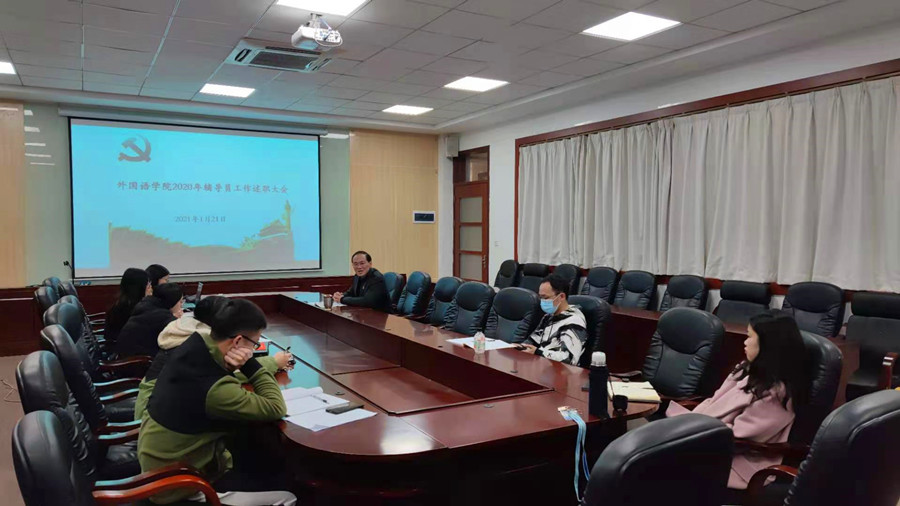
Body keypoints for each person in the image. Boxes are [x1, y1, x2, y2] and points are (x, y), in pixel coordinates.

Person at [138, 298, 296, 506]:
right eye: (254, 344)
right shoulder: (215, 389)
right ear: (237, 342)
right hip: (180, 488)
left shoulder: (194, 345)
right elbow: (276, 407)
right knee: (289, 493)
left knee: (257, 451)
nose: (253, 349)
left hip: (163, 465)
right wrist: (250, 364)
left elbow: (217, 378)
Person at [666, 311, 810, 491]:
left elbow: (741, 437)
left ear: (767, 345)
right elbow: (714, 402)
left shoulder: (777, 392)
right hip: (709, 439)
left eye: (750, 337)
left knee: (658, 467)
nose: (745, 342)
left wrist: (695, 429)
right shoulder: (746, 370)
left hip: (737, 459)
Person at [133, 296, 293, 422]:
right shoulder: (214, 384)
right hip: (163, 442)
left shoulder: (193, 340)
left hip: (154, 426)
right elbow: (276, 407)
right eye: (254, 344)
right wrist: (257, 363)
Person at [519, 274, 588, 366]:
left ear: (561, 296)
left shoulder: (574, 321)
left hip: (562, 371)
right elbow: (533, 340)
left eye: (545, 298)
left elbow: (569, 359)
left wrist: (537, 352)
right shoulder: (549, 316)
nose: (542, 301)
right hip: (542, 365)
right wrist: (520, 347)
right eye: (540, 297)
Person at [116, 283, 184, 359]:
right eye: (180, 302)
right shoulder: (162, 317)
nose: (181, 305)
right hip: (139, 361)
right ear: (172, 302)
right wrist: (175, 320)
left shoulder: (146, 306)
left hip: (125, 355)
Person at [105, 267, 152, 347]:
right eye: (148, 286)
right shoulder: (133, 310)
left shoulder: (121, 303)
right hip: (128, 351)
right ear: (140, 288)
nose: (151, 289)